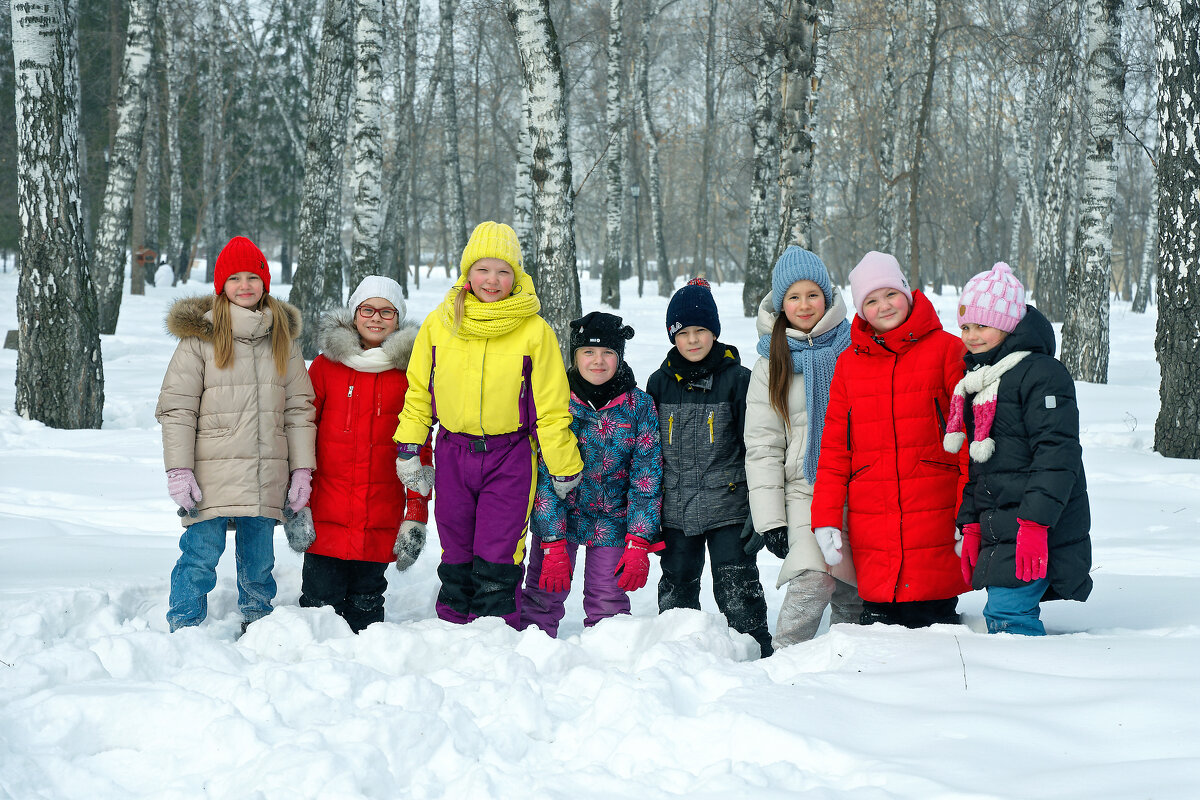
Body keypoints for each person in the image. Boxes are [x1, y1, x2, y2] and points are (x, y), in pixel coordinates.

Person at [392, 221, 583, 627]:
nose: (492, 280)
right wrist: (409, 447)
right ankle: (452, 625)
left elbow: (551, 406)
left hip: (509, 456)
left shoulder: (534, 330)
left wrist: (563, 463)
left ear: (517, 276)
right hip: (454, 452)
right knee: (456, 547)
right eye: (483, 269)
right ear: (467, 271)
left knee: (498, 550)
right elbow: (418, 392)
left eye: (503, 271)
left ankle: (495, 636)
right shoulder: (439, 324)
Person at [157, 235, 316, 633]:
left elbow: (299, 409)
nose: (244, 286)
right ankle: (184, 625)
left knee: (259, 560)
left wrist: (301, 471)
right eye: (234, 278)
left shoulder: (283, 339)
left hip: (266, 470)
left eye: (253, 276)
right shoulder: (200, 339)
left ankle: (258, 622)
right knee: (200, 554)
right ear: (220, 286)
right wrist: (179, 469)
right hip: (211, 472)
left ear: (265, 281)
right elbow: (178, 408)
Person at [810, 251, 969, 628]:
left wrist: (969, 511)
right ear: (861, 310)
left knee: (937, 638)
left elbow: (968, 442)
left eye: (890, 294)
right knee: (880, 643)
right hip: (874, 522)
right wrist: (825, 517)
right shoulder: (850, 363)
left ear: (907, 293)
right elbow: (834, 448)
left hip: (935, 515)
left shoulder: (948, 350)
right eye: (871, 300)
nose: (884, 306)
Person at [946, 262, 1092, 635]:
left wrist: (1035, 523)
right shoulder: (980, 380)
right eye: (965, 327)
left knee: (1008, 612)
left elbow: (1057, 456)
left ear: (1008, 324)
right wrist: (973, 524)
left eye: (982, 325)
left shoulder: (1042, 374)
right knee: (1002, 611)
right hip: (1002, 523)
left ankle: (1026, 683)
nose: (971, 336)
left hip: (1039, 520)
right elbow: (981, 466)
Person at [284, 275, 433, 632]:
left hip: (379, 514)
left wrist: (415, 513)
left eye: (387, 311)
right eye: (368, 309)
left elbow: (421, 446)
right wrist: (295, 500)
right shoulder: (325, 366)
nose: (376, 318)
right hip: (326, 512)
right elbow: (302, 429)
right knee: (319, 605)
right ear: (354, 314)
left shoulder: (413, 372)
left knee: (367, 606)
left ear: (398, 318)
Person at [647, 278, 773, 658]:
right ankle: (678, 651)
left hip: (729, 504)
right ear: (673, 336)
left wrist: (758, 506)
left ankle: (754, 648)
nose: (693, 340)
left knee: (736, 581)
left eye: (701, 330)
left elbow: (757, 445)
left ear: (714, 331)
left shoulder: (738, 380)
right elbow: (649, 453)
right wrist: (649, 510)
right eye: (683, 332)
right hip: (676, 507)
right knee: (677, 580)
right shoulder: (659, 383)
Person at [744, 246, 861, 648]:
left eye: (812, 294)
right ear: (781, 304)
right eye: (793, 297)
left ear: (827, 296)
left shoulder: (856, 346)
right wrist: (770, 520)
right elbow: (762, 444)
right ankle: (785, 657)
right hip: (804, 490)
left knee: (853, 586)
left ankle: (850, 659)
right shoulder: (770, 363)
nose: (804, 305)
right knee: (814, 577)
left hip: (859, 486)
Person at [520, 312, 663, 636]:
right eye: (588, 352)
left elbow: (648, 476)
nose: (597, 361)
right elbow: (541, 472)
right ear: (574, 356)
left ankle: (610, 663)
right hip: (561, 515)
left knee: (609, 601)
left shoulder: (639, 406)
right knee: (543, 593)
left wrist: (640, 539)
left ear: (619, 356)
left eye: (607, 353)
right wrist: (552, 540)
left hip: (613, 519)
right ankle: (532, 655)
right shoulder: (556, 401)